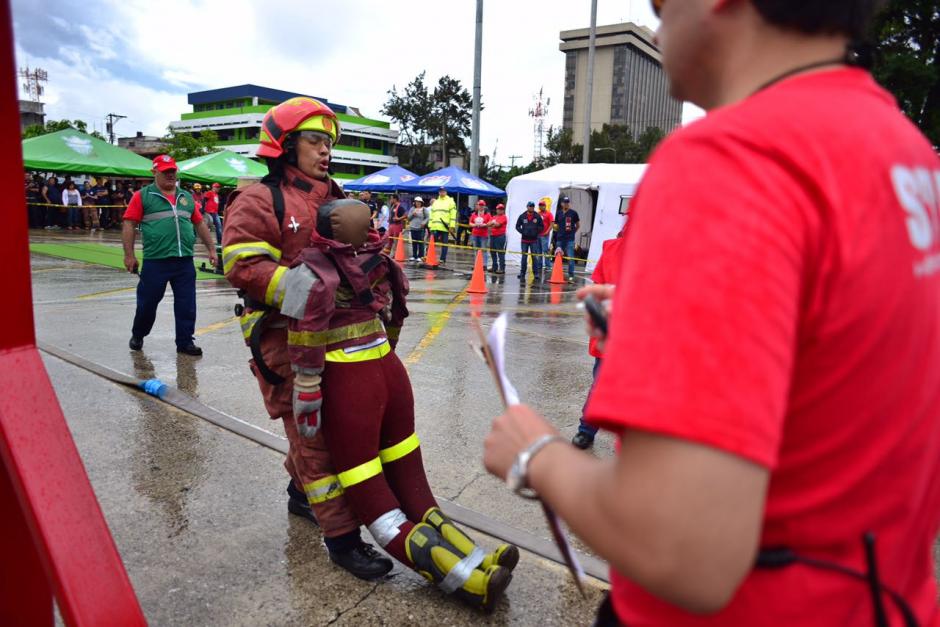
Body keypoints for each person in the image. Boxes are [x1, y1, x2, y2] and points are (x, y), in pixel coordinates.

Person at [483, 1, 940, 625]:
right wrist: (678, 311)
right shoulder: (909, 154)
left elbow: (679, 548)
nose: (654, 13)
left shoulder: (733, 158)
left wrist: (536, 454)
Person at [282, 197, 518, 611]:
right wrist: (383, 350)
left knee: (376, 502)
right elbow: (398, 314)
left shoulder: (307, 272)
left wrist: (306, 391)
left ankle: (466, 582)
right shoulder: (382, 262)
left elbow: (303, 338)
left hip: (349, 385)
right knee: (415, 488)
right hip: (390, 373)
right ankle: (477, 557)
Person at [221, 97, 394, 580]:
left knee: (320, 428)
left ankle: (300, 495)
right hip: (283, 340)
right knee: (314, 438)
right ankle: (341, 540)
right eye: (316, 141)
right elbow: (241, 264)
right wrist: (311, 293)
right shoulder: (258, 199)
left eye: (329, 144)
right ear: (286, 145)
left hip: (334, 338)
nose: (325, 152)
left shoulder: (334, 193)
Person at [123, 155, 216, 356]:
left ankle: (185, 342)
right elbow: (129, 224)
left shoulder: (186, 197)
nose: (170, 175)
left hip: (184, 261)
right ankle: (138, 333)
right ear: (154, 173)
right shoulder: (142, 196)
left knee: (187, 304)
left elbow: (199, 223)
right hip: (156, 261)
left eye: (173, 171)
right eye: (166, 172)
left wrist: (211, 248)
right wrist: (129, 255)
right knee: (147, 303)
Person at [570, 232, 626, 450]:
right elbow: (597, 286)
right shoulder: (612, 248)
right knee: (600, 384)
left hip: (647, 336)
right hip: (612, 329)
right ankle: (586, 429)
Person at [553, 196, 580, 282]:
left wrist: (572, 232)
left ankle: (571, 275)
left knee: (570, 257)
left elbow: (578, 225)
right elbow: (556, 225)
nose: (566, 204)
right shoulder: (558, 213)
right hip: (560, 239)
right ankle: (557, 274)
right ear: (561, 204)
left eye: (567, 202)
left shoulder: (573, 213)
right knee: (558, 256)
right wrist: (557, 232)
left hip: (569, 239)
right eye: (565, 202)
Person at [514, 201, 543, 279]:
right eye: (530, 206)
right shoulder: (522, 216)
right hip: (524, 240)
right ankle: (522, 273)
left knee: (534, 257)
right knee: (524, 257)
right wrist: (523, 232)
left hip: (534, 240)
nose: (531, 207)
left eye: (533, 206)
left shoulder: (537, 216)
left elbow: (541, 226)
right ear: (527, 207)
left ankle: (536, 274)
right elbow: (517, 226)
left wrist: (536, 232)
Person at [428, 187, 457, 263]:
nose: (441, 193)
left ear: (446, 192)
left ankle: (442, 259)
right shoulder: (436, 202)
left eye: (443, 191)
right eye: (440, 191)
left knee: (444, 243)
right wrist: (430, 225)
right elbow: (432, 214)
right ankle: (428, 256)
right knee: (431, 242)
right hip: (435, 226)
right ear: (439, 192)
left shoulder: (450, 201)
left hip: (445, 227)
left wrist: (452, 226)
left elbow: (453, 214)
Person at [487, 203, 507, 274]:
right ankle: (494, 267)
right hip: (493, 236)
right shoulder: (494, 216)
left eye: (501, 209)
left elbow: (498, 225)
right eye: (499, 209)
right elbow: (488, 224)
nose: (500, 210)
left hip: (500, 236)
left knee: (500, 253)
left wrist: (492, 223)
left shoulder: (504, 217)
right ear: (496, 210)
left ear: (503, 210)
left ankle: (502, 268)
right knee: (492, 252)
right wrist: (492, 223)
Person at [407, 196, 429, 261]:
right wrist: (412, 214)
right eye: (416, 202)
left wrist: (424, 223)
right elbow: (408, 218)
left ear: (421, 202)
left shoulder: (424, 209)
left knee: (421, 243)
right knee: (414, 243)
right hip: (413, 228)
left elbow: (427, 217)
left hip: (420, 228)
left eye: (419, 202)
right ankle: (414, 256)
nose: (418, 203)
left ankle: (421, 256)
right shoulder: (412, 209)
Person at [537, 199, 553, 267]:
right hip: (538, 235)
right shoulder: (537, 213)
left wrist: (547, 232)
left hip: (544, 235)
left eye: (542, 205)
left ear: (545, 206)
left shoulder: (549, 213)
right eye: (540, 205)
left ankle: (548, 265)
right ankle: (539, 265)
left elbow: (552, 224)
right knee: (538, 250)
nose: (541, 206)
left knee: (545, 250)